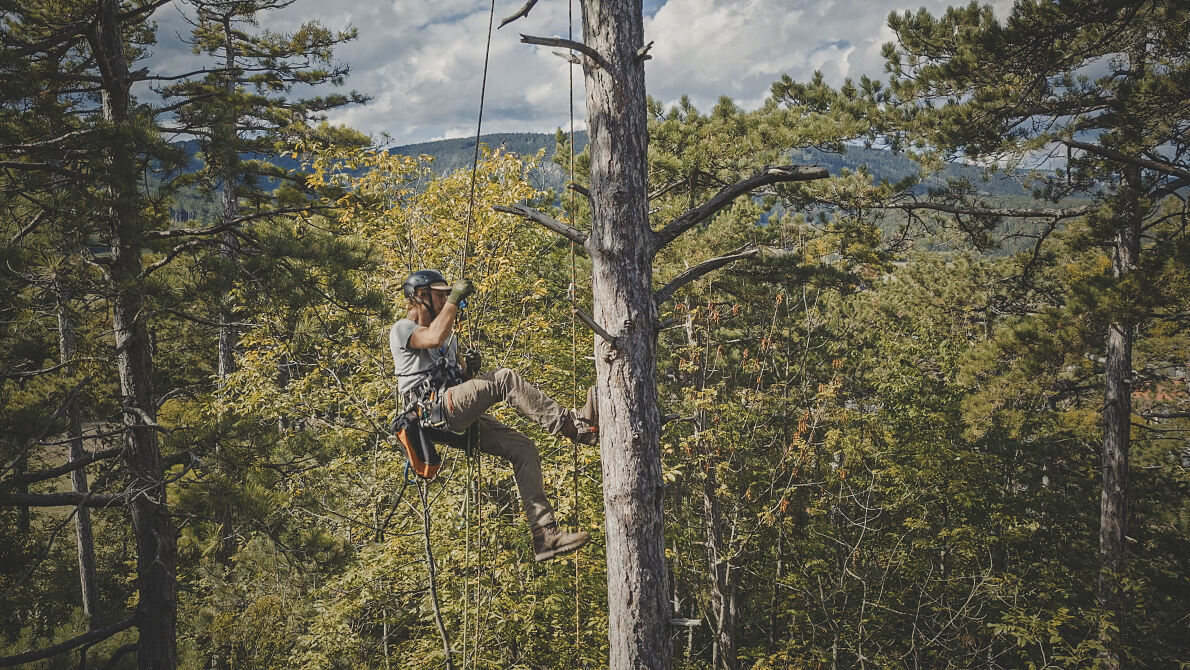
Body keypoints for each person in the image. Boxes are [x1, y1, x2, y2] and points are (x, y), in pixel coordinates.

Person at [389, 269, 597, 562]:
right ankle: (575, 426)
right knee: (504, 379)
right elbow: (433, 338)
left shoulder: (450, 340)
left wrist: (468, 370)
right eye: (440, 295)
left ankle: (546, 536)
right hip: (433, 412)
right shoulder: (403, 329)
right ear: (420, 296)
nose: (446, 299)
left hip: (451, 410)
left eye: (448, 294)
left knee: (523, 448)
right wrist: (457, 299)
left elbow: (461, 383)